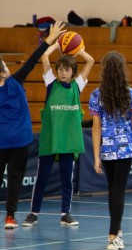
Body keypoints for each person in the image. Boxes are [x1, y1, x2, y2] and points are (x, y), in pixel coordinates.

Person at [22, 39, 94, 227]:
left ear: (73, 72)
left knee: (66, 179)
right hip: (50, 139)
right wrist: (58, 45)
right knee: (42, 179)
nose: (62, 72)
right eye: (60, 69)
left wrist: (78, 50)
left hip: (68, 141)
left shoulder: (77, 87)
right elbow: (45, 56)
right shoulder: (50, 84)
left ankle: (65, 213)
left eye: (66, 69)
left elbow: (91, 61)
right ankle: (33, 213)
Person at [1, 21, 66, 229]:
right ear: (3, 73)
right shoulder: (15, 81)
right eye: (4, 66)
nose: (7, 67)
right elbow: (33, 59)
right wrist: (50, 39)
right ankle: (10, 217)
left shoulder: (13, 81)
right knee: (15, 179)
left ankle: (10, 216)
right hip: (20, 140)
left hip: (3, 141)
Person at [88, 51, 132, 250]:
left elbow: (95, 128)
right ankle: (113, 236)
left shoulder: (96, 94)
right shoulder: (130, 94)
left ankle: (117, 231)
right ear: (122, 70)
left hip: (107, 150)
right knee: (118, 191)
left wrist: (96, 155)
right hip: (125, 150)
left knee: (112, 190)